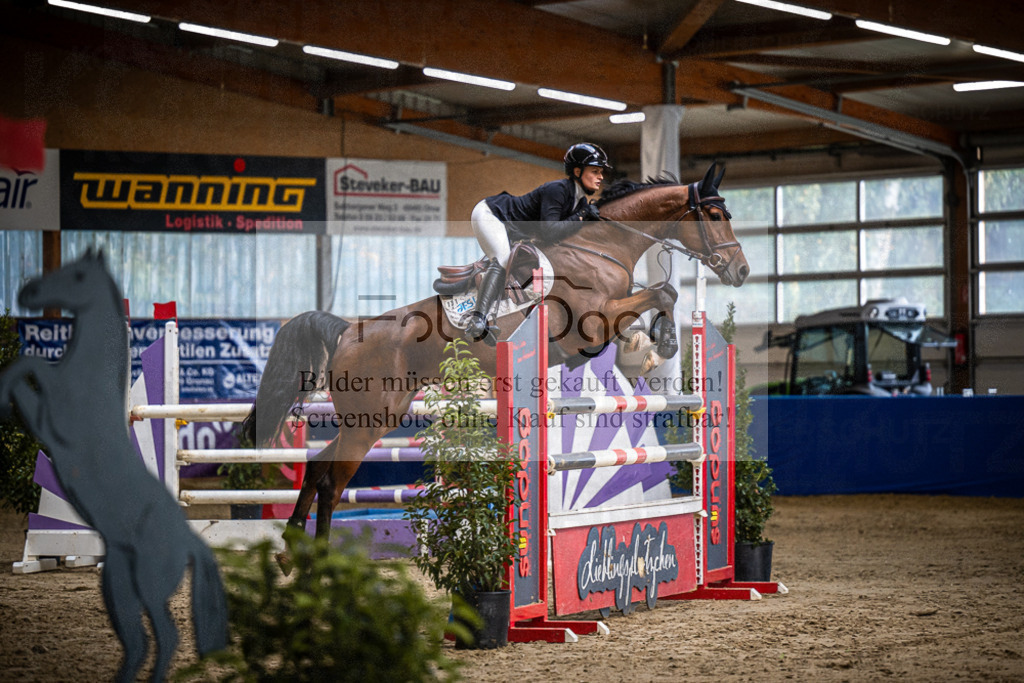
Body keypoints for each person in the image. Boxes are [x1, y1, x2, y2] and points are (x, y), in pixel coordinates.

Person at [464, 142, 611, 345]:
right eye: (595, 171)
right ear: (577, 171)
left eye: (601, 172)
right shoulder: (558, 190)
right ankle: (478, 320)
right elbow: (549, 232)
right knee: (502, 259)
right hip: (492, 214)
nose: (600, 177)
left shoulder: (580, 201)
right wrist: (582, 216)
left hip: (512, 227)